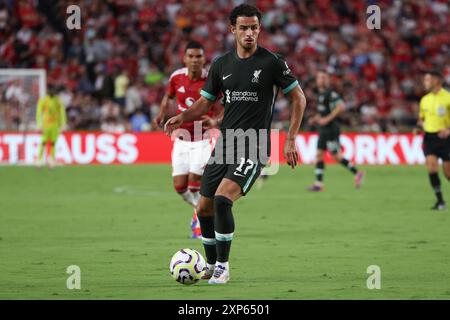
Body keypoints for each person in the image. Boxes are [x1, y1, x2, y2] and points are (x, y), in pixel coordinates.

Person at [165, 4, 306, 284]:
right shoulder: (221, 65)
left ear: (259, 29)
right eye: (243, 27)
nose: (249, 33)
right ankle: (210, 264)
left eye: (254, 27)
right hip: (226, 144)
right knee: (203, 207)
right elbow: (206, 102)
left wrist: (290, 140)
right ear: (233, 30)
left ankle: (223, 268)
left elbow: (299, 98)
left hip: (253, 145)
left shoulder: (272, 62)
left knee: (221, 200)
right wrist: (181, 116)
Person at [154, 41, 222, 238]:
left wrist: (215, 120)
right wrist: (161, 113)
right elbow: (168, 97)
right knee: (179, 187)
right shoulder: (176, 77)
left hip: (203, 138)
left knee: (195, 182)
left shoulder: (211, 78)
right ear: (184, 59)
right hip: (181, 139)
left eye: (198, 56)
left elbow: (227, 103)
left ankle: (202, 220)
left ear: (204, 59)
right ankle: (201, 210)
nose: (194, 60)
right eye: (191, 56)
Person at [307, 70, 364, 191]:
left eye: (323, 78)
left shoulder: (330, 93)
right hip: (323, 130)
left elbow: (341, 106)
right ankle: (318, 184)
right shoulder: (320, 95)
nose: (321, 80)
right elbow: (323, 113)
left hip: (331, 129)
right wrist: (315, 119)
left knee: (336, 156)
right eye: (319, 78)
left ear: (327, 80)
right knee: (319, 155)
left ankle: (357, 173)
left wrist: (326, 119)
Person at [416, 71, 450, 210]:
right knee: (431, 168)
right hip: (429, 138)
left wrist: (448, 129)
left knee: (448, 173)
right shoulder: (425, 99)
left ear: (437, 80)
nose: (426, 82)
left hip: (446, 139)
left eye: (428, 79)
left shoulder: (447, 97)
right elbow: (421, 119)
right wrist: (419, 126)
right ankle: (440, 201)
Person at [36, 84, 67, 168]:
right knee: (43, 142)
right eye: (51, 90)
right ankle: (39, 160)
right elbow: (39, 112)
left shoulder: (58, 100)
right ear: (47, 91)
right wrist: (39, 124)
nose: (52, 92)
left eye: (54, 91)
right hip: (46, 125)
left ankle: (52, 160)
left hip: (55, 125)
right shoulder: (43, 100)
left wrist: (63, 124)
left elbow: (62, 112)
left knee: (53, 143)